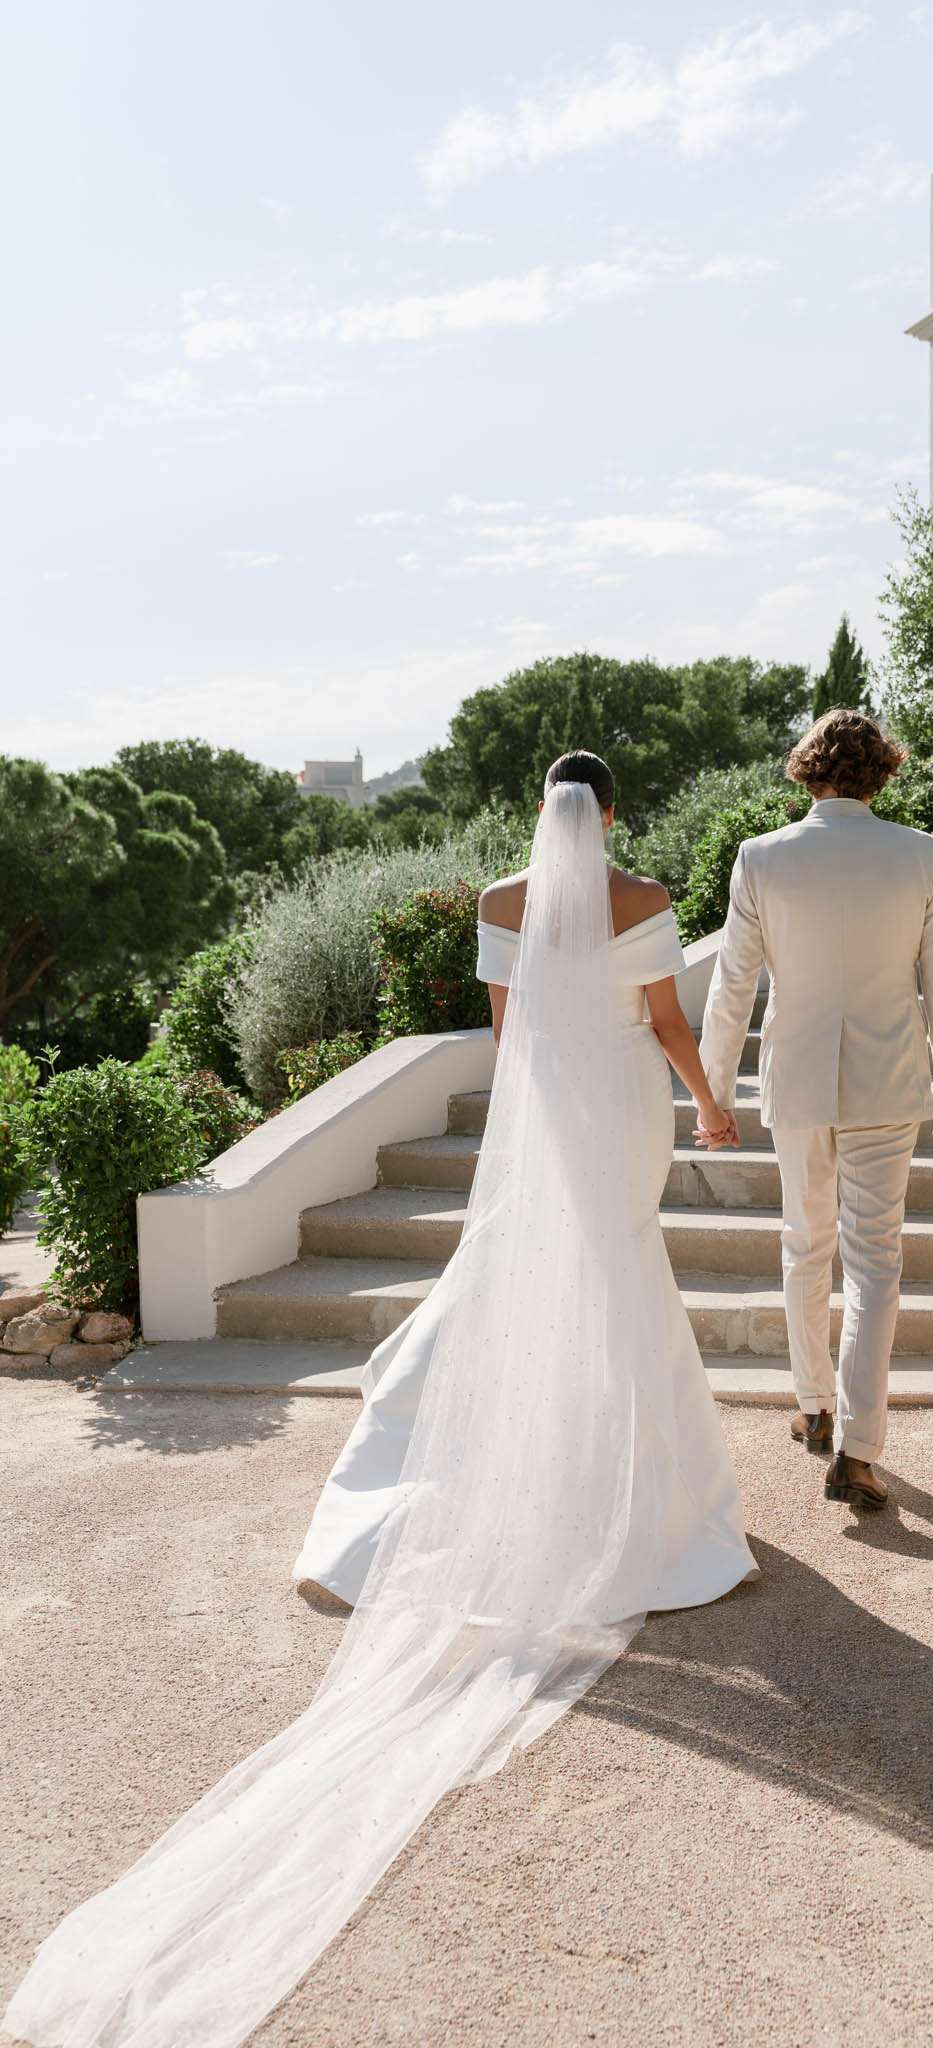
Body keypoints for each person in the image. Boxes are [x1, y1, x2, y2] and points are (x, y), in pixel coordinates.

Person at [4, 753, 756, 2048]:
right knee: (625, 1274)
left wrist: (544, 1118)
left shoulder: (508, 899)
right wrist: (703, 1102)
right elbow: (672, 1022)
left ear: (539, 807)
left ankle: (517, 1471)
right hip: (625, 1104)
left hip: (553, 1113)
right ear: (617, 811)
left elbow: (514, 1036)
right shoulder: (639, 894)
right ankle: (634, 1496)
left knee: (536, 1279)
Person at [699, 708, 933, 1512]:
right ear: (882, 771)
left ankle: (814, 1406)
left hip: (796, 1081)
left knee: (802, 1242)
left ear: (806, 770)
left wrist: (714, 1094)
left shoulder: (760, 859)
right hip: (889, 1081)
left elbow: (731, 989)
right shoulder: (920, 855)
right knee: (875, 1262)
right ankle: (857, 1448)